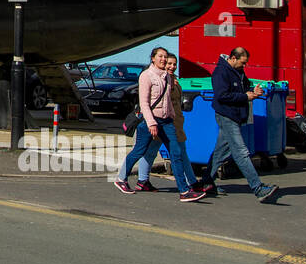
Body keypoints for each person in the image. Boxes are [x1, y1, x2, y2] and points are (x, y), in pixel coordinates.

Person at [115, 47, 204, 201]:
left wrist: (171, 115)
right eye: (160, 56)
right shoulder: (146, 76)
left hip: (167, 122)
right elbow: (144, 103)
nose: (163, 59)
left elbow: (167, 101)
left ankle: (184, 191)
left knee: (175, 153)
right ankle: (121, 179)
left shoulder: (167, 77)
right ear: (153, 58)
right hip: (151, 121)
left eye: (165, 56)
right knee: (139, 151)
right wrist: (151, 123)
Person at [194, 46, 278, 201]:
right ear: (233, 58)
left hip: (236, 116)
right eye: (243, 62)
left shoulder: (237, 71)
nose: (244, 66)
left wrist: (254, 90)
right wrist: (245, 97)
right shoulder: (221, 72)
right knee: (241, 152)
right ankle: (258, 188)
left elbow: (245, 87)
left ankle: (206, 182)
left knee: (220, 152)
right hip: (227, 115)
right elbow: (222, 96)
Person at [133, 52, 198, 192]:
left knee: (170, 152)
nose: (172, 66)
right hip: (163, 123)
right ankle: (190, 183)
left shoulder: (172, 80)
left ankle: (143, 181)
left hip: (173, 122)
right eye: (169, 63)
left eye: (174, 64)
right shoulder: (162, 80)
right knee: (157, 151)